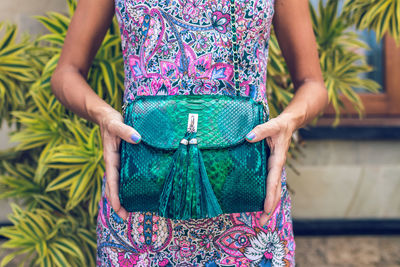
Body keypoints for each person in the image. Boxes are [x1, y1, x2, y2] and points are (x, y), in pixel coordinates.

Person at [51, 0, 328, 265]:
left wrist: (288, 121)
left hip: (250, 212)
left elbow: (312, 83)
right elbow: (67, 72)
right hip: (139, 212)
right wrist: (104, 116)